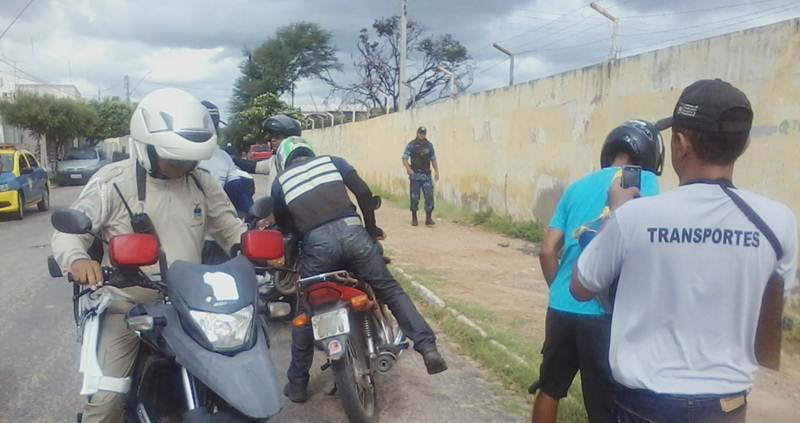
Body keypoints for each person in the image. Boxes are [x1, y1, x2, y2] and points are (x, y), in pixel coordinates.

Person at [571, 79, 798, 422]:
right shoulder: (779, 222)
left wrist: (614, 212)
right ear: (744, 144)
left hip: (643, 407)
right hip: (725, 408)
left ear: (681, 144)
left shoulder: (633, 217)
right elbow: (774, 309)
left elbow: (581, 286)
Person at [51, 88, 247, 423]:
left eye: (190, 159)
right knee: (108, 399)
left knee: (236, 375)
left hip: (192, 305)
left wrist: (250, 246)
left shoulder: (202, 182)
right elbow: (70, 231)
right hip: (128, 304)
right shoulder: (113, 182)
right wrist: (78, 260)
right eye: (176, 158)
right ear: (146, 149)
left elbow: (230, 227)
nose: (184, 166)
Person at [271, 137, 447, 403]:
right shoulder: (333, 162)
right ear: (309, 151)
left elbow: (286, 225)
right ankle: (428, 348)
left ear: (283, 160)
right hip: (354, 235)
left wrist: (302, 237)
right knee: (389, 289)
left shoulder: (280, 182)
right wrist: (371, 229)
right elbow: (364, 193)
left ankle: (297, 384)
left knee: (306, 310)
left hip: (317, 247)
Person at [531, 120, 664, 423]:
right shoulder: (646, 182)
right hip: (606, 316)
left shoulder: (576, 187)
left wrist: (561, 291)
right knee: (605, 405)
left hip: (562, 307)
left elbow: (547, 249)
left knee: (550, 388)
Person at [197, 100, 256, 264]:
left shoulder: (222, 157)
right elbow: (240, 195)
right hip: (210, 238)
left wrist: (252, 214)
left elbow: (238, 193)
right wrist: (252, 213)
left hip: (207, 238)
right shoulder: (222, 158)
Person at [231, 114, 302, 190]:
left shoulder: (300, 162)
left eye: (278, 137)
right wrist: (232, 159)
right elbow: (254, 166)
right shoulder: (276, 160)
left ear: (290, 138)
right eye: (272, 137)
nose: (273, 140)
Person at [402, 126, 439, 226]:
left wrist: (437, 171)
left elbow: (433, 159)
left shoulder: (429, 145)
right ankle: (414, 218)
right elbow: (404, 158)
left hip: (426, 175)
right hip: (415, 175)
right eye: (420, 133)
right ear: (417, 133)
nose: (422, 135)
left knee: (429, 197)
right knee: (414, 198)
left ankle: (428, 218)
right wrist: (408, 169)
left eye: (423, 133)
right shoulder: (411, 145)